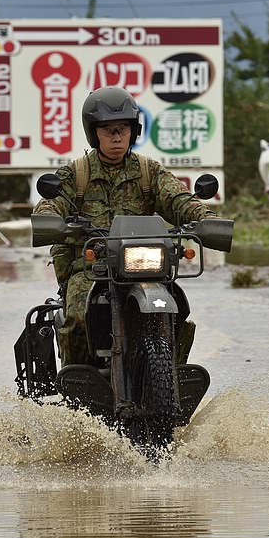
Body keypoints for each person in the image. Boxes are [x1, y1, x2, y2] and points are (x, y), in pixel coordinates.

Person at [33, 85, 216, 365]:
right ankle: (77, 377)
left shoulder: (148, 171)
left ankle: (171, 371)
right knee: (77, 316)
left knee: (178, 307)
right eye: (108, 129)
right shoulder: (76, 174)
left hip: (142, 263)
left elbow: (177, 198)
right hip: (92, 266)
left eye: (123, 128)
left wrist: (203, 217)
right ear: (94, 132)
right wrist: (50, 217)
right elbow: (53, 202)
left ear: (134, 131)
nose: (117, 137)